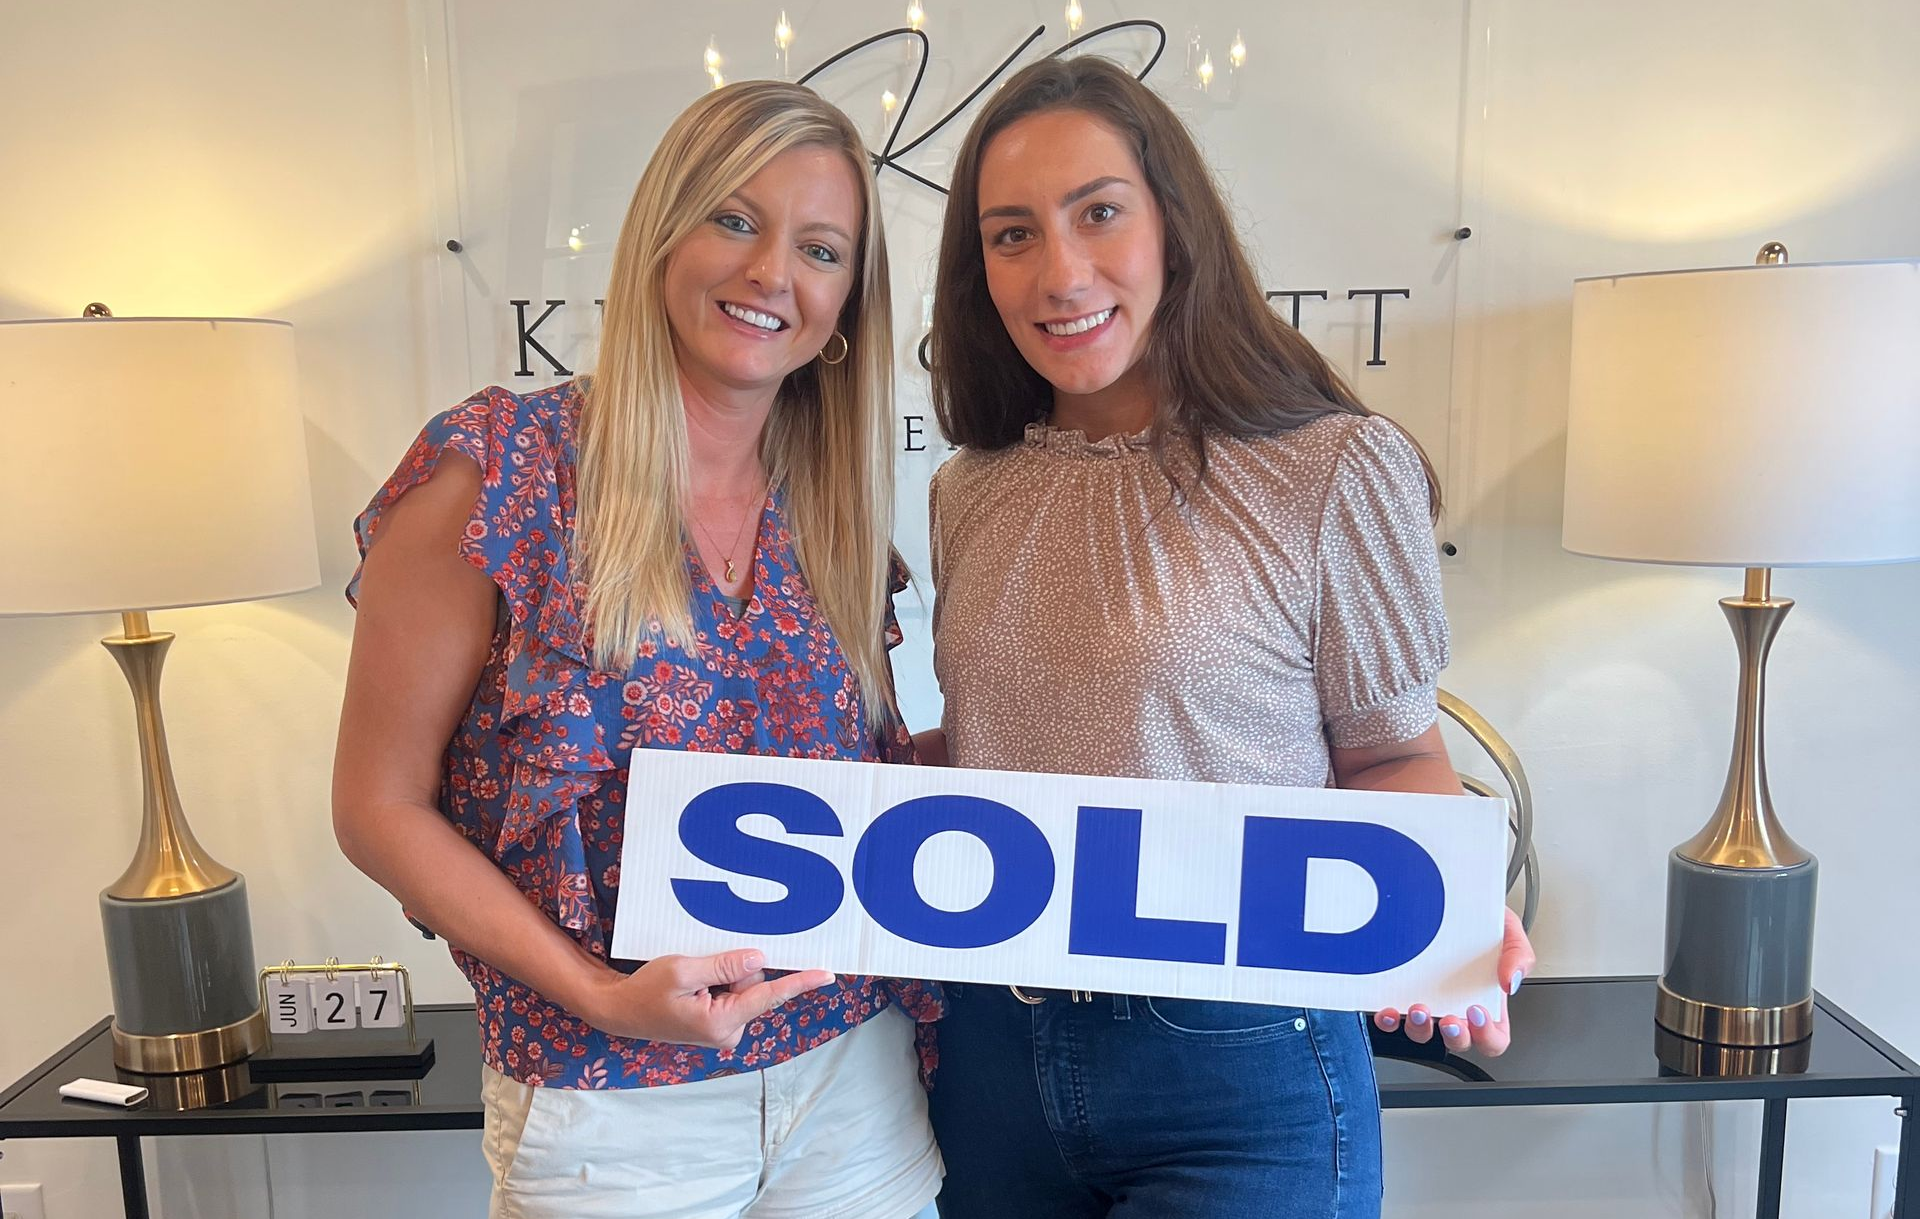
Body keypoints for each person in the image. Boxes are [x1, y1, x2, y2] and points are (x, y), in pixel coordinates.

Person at [918, 56, 1536, 1219]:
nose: (1061, 272)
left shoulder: (1332, 469)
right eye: (1011, 235)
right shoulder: (968, 488)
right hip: (991, 1052)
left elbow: (1390, 753)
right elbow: (1014, 747)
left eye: (1099, 212)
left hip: (1236, 1058)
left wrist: (1439, 912)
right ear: (979, 269)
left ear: (1173, 225)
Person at [332, 80, 942, 1219]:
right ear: (662, 232)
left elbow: (853, 791)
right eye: (733, 218)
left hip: (851, 1083)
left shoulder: (833, 510)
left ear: (848, 304)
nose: (772, 273)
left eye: (819, 248)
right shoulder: (502, 469)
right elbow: (378, 805)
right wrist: (603, 997)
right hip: (612, 1105)